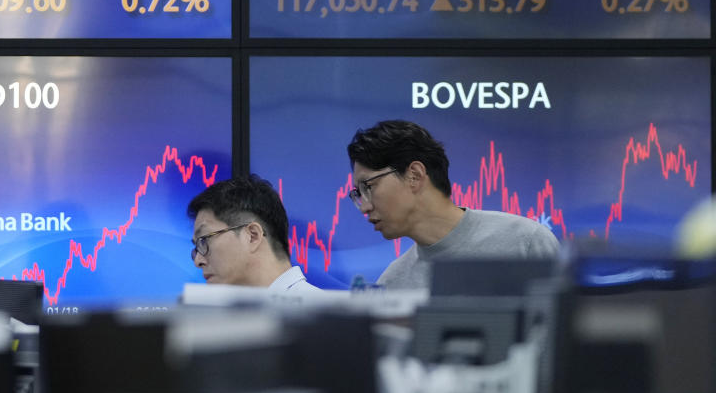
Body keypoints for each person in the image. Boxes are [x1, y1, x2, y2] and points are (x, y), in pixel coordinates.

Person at [347, 120, 560, 289]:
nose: (364, 207)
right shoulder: (392, 283)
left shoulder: (525, 243)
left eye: (369, 187)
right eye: (359, 194)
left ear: (414, 175)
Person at [187, 174, 321, 293]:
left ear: (252, 236)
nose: (198, 261)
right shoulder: (242, 318)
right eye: (196, 249)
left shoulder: (323, 316)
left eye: (204, 240)